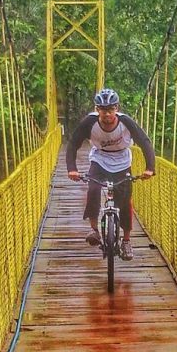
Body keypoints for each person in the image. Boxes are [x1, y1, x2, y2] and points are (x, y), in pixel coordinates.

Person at [66, 88, 155, 261]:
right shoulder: (89, 123)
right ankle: (94, 230)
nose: (107, 114)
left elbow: (144, 142)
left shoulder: (126, 122)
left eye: (110, 109)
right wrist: (72, 168)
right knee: (93, 188)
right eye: (102, 110)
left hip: (122, 161)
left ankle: (126, 241)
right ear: (97, 109)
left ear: (117, 109)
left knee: (125, 202)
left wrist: (150, 167)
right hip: (100, 159)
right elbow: (73, 143)